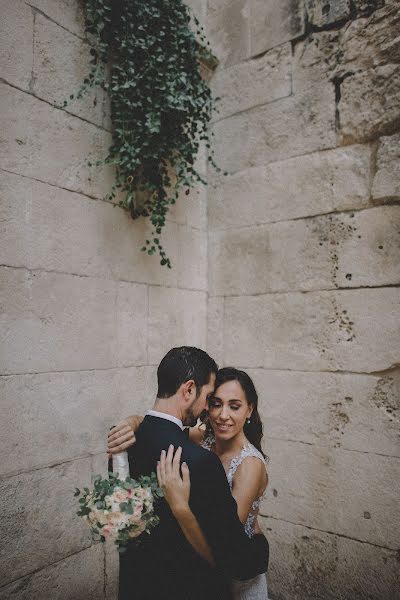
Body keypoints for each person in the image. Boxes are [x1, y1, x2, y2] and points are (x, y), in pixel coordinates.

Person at [109, 364, 269, 599]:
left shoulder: (249, 466)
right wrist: (132, 423)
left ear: (249, 410)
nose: (223, 415)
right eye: (215, 403)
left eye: (234, 406)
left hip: (236, 577)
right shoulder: (203, 437)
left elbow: (222, 549)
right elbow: (162, 428)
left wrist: (180, 507)